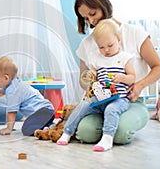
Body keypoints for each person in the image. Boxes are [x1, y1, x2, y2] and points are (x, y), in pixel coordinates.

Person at [73, 0, 160, 144]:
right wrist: (88, 80)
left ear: (103, 5)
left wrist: (139, 86)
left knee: (120, 133)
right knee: (86, 133)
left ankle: (118, 126)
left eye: (93, 14)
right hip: (100, 102)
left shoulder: (134, 33)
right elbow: (83, 81)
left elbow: (158, 67)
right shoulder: (86, 44)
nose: (91, 21)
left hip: (131, 102)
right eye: (86, 18)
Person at [57, 19, 136, 151]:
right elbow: (93, 74)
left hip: (119, 99)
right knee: (84, 105)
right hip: (101, 97)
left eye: (110, 45)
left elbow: (132, 77)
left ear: (118, 40)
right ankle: (67, 132)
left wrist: (122, 78)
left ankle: (107, 138)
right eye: (101, 47)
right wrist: (90, 76)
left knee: (111, 110)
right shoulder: (97, 58)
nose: (106, 50)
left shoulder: (125, 58)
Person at [0, 56, 55, 136]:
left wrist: (8, 128)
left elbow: (12, 112)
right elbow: (0, 92)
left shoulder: (13, 91)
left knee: (26, 129)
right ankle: (50, 125)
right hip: (47, 109)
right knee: (31, 122)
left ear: (6, 78)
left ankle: (48, 128)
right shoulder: (15, 83)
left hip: (41, 111)